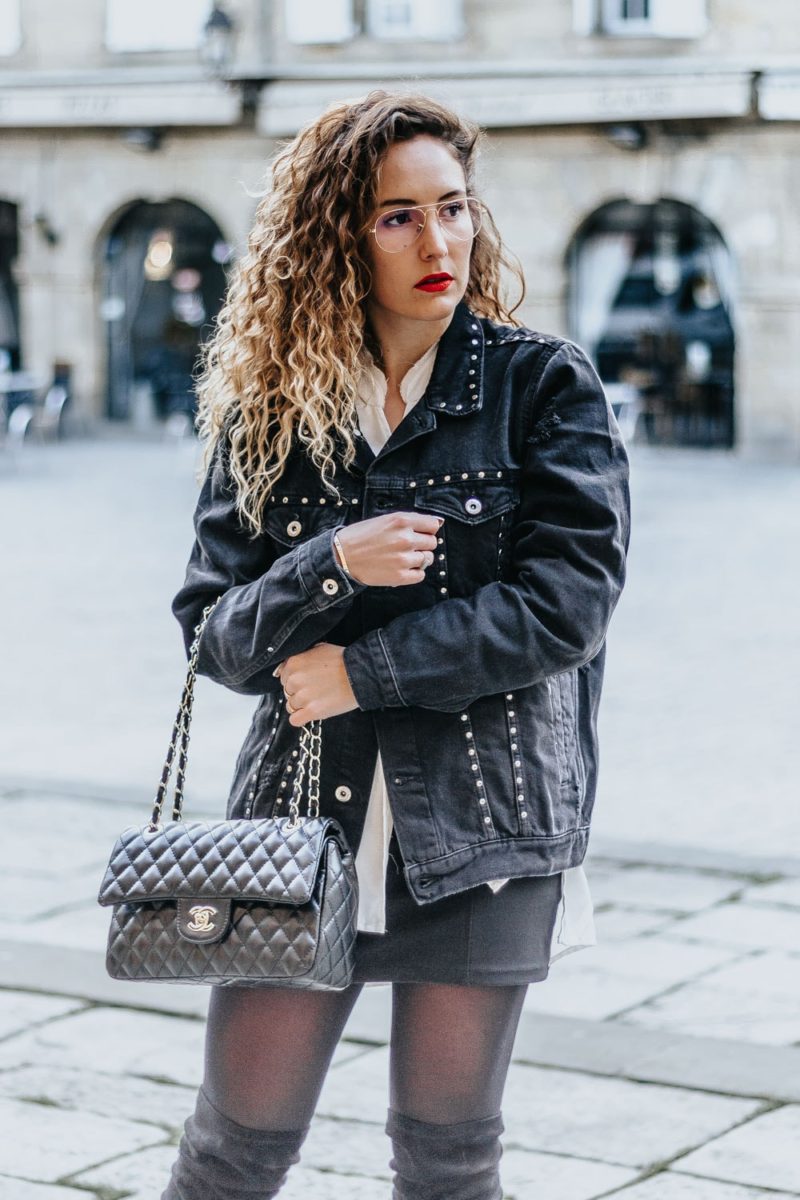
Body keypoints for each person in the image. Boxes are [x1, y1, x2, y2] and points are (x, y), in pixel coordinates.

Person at [163, 90, 630, 1200]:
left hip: (483, 827)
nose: (438, 243)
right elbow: (211, 636)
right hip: (296, 829)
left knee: (447, 1165)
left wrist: (360, 671)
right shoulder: (273, 409)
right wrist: (329, 565)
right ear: (336, 237)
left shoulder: (539, 384)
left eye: (452, 208)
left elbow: (566, 606)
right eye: (397, 217)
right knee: (229, 1157)